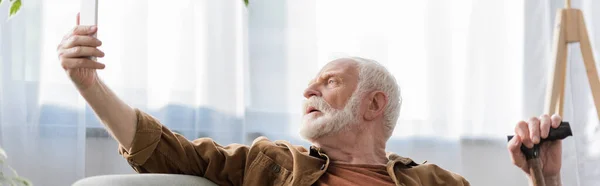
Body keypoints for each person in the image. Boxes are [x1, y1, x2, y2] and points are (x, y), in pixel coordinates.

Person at [56, 15, 564, 186]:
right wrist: (88, 85)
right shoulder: (271, 164)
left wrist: (547, 177)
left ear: (372, 104)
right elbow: (169, 151)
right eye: (310, 83)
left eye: (329, 80)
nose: (308, 90)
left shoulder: (436, 182)